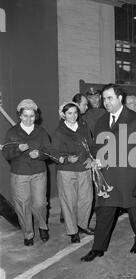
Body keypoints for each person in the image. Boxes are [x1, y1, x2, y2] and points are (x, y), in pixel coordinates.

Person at [81, 83, 136, 262]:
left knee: (135, 210)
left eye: (110, 98)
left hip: (129, 175)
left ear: (120, 98)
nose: (106, 102)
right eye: (104, 98)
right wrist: (95, 159)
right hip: (107, 175)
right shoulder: (101, 121)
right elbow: (97, 146)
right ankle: (98, 248)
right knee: (104, 212)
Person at [2, 99, 50, 246]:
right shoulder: (12, 132)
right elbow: (7, 154)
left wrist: (40, 155)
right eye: (25, 116)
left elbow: (49, 152)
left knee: (40, 204)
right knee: (22, 204)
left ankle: (43, 226)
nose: (29, 119)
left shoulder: (41, 132)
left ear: (36, 116)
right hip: (19, 173)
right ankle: (28, 233)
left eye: (32, 116)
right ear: (20, 116)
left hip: (38, 172)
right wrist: (18, 149)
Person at [51, 101, 94, 244]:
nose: (73, 116)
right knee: (69, 201)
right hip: (66, 171)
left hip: (84, 168)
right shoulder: (59, 132)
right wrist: (67, 159)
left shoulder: (83, 127)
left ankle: (82, 225)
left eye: (75, 112)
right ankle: (73, 231)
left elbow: (91, 146)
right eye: (69, 113)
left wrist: (90, 158)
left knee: (86, 199)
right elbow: (54, 153)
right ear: (63, 115)